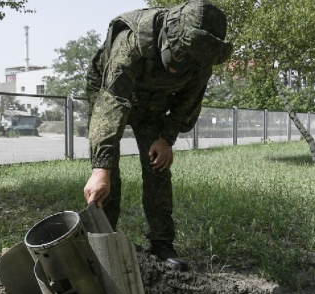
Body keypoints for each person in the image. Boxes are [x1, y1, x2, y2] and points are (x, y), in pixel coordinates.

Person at [83, 0, 232, 271]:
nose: (177, 70)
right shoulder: (131, 43)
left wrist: (166, 139)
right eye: (176, 59)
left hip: (154, 102)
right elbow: (111, 102)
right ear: (168, 38)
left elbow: (188, 103)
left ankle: (162, 243)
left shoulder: (201, 58)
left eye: (188, 65)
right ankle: (103, 241)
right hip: (111, 92)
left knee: (158, 167)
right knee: (108, 175)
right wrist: (100, 166)